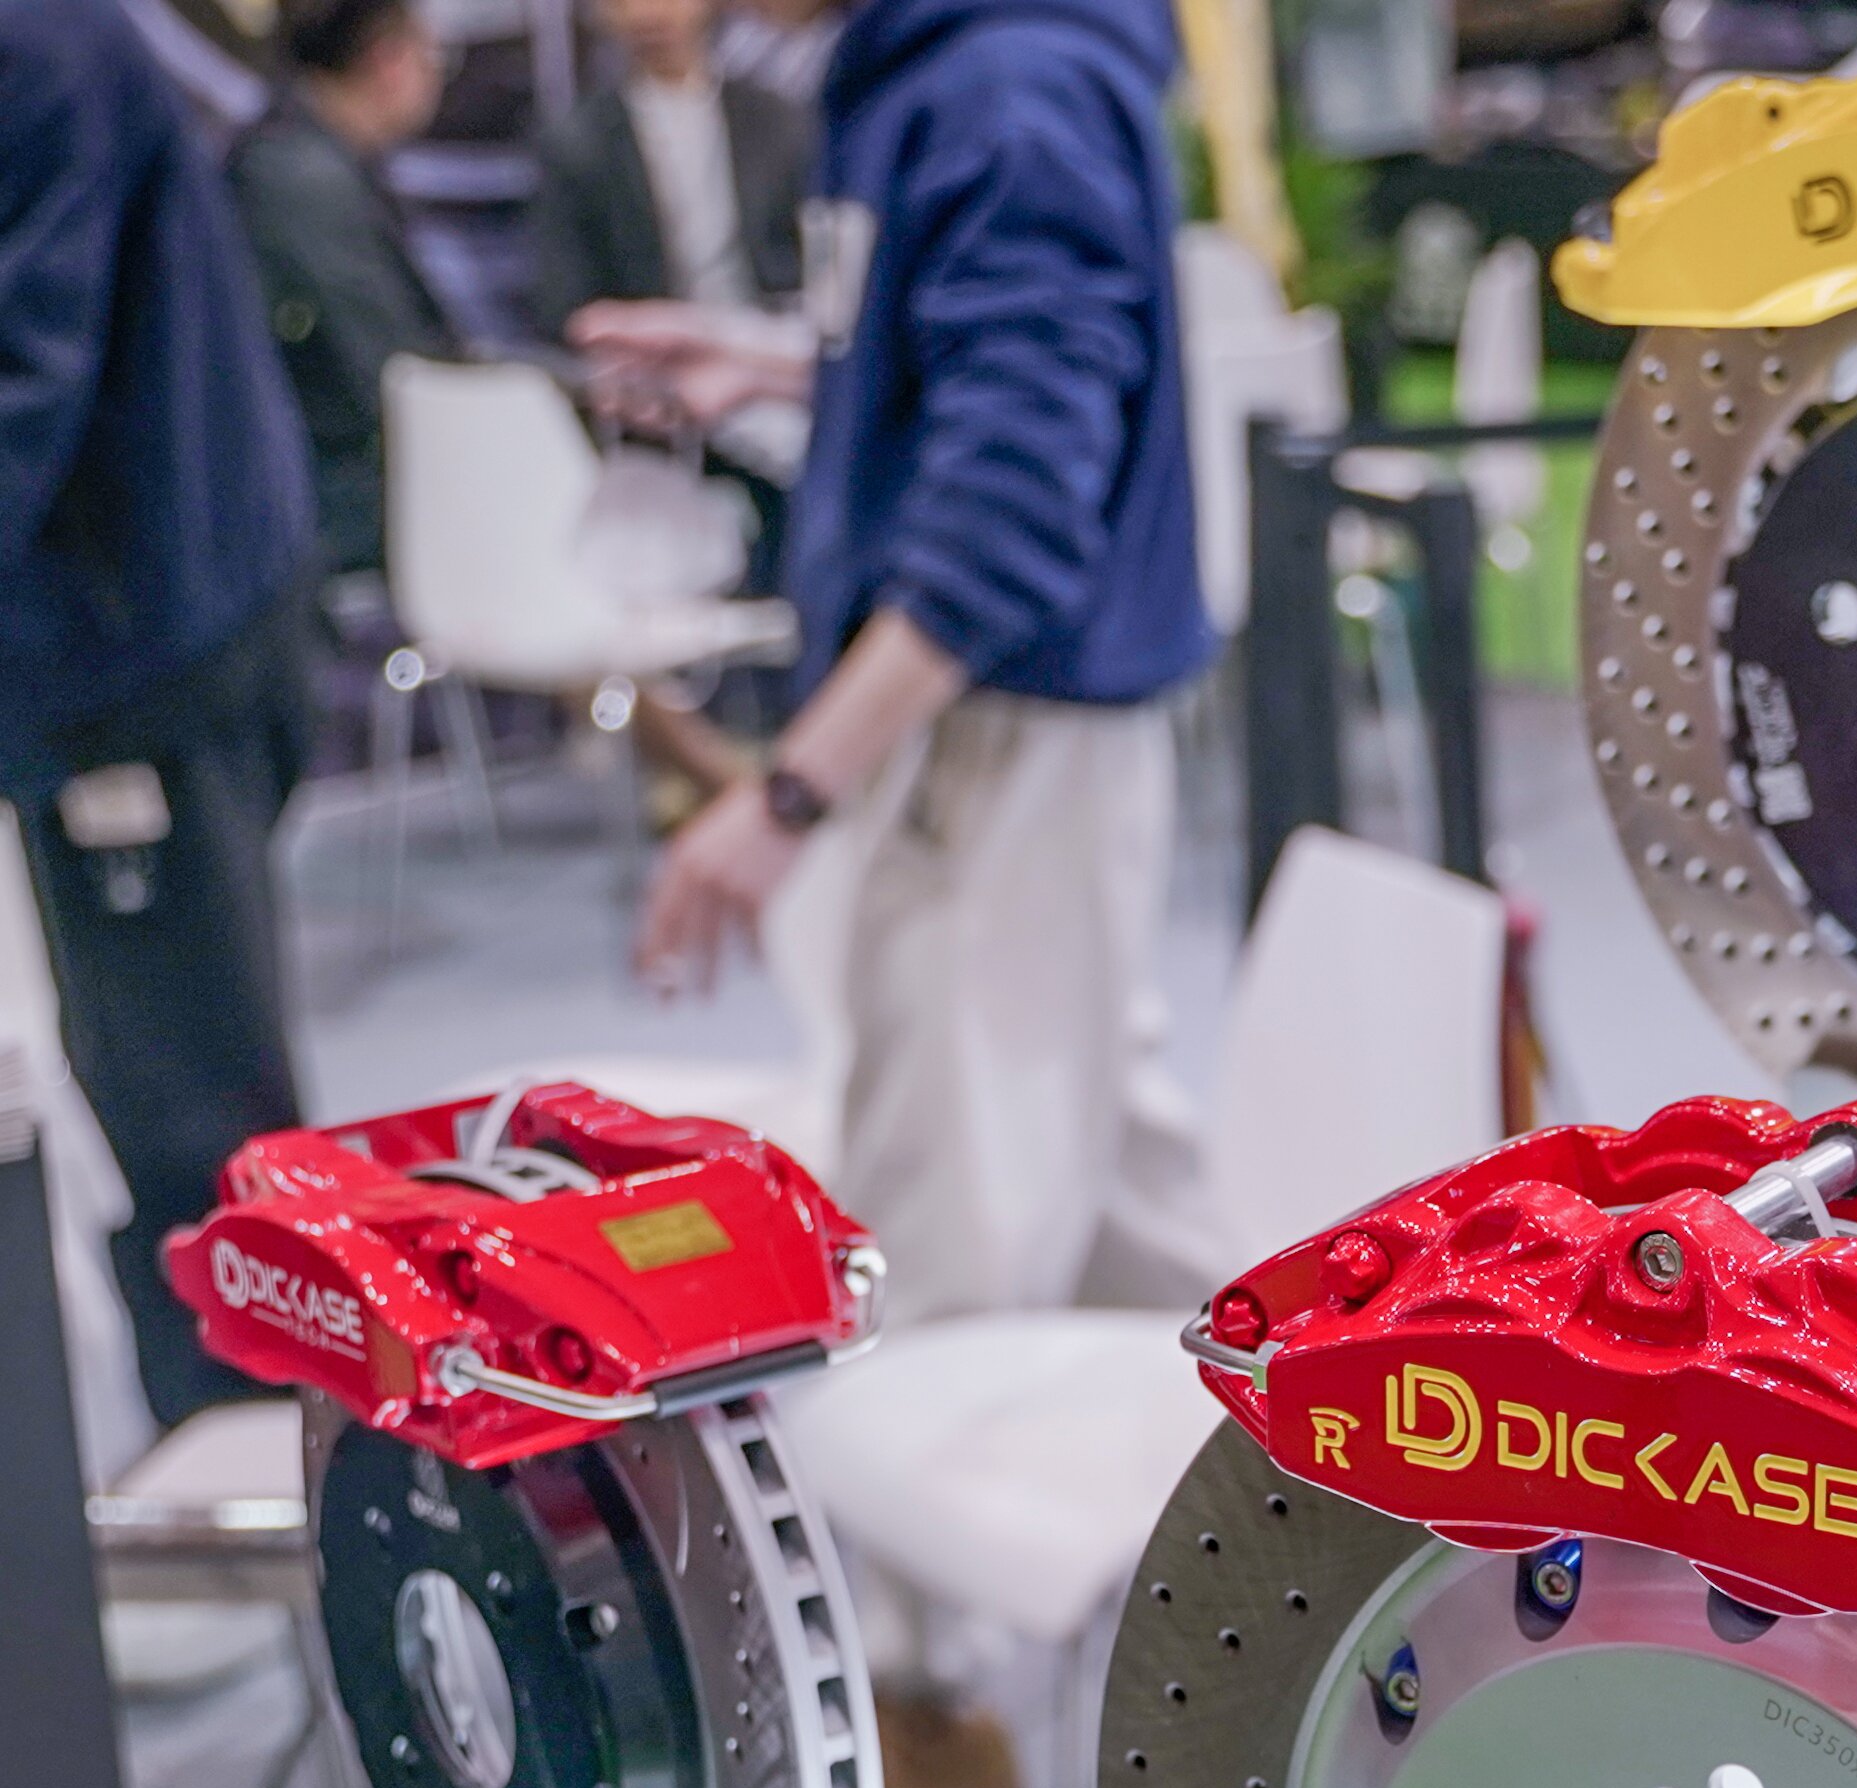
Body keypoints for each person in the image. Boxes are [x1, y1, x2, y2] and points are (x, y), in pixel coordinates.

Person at [582, 0, 1211, 1328]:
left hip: (998, 725)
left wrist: (788, 792)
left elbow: (1017, 503)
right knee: (1115, 1208)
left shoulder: (1007, 87)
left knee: (941, 1271)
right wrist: (796, 365)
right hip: (1004, 719)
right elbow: (983, 372)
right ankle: (1316, 1446)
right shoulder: (950, 75)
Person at [2, 0, 322, 1428]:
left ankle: (257, 1480)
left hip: (136, 661)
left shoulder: (35, 51)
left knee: (194, 1115)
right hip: (128, 634)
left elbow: (23, 382)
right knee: (160, 1085)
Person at [225, 0, 456, 585]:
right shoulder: (299, 179)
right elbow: (389, 368)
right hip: (334, 516)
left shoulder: (304, 162)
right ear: (388, 60)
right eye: (433, 56)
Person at [526, 0, 810, 338]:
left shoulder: (777, 122)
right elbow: (563, 297)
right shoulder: (576, 144)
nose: (648, 14)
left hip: (768, 339)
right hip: (644, 350)